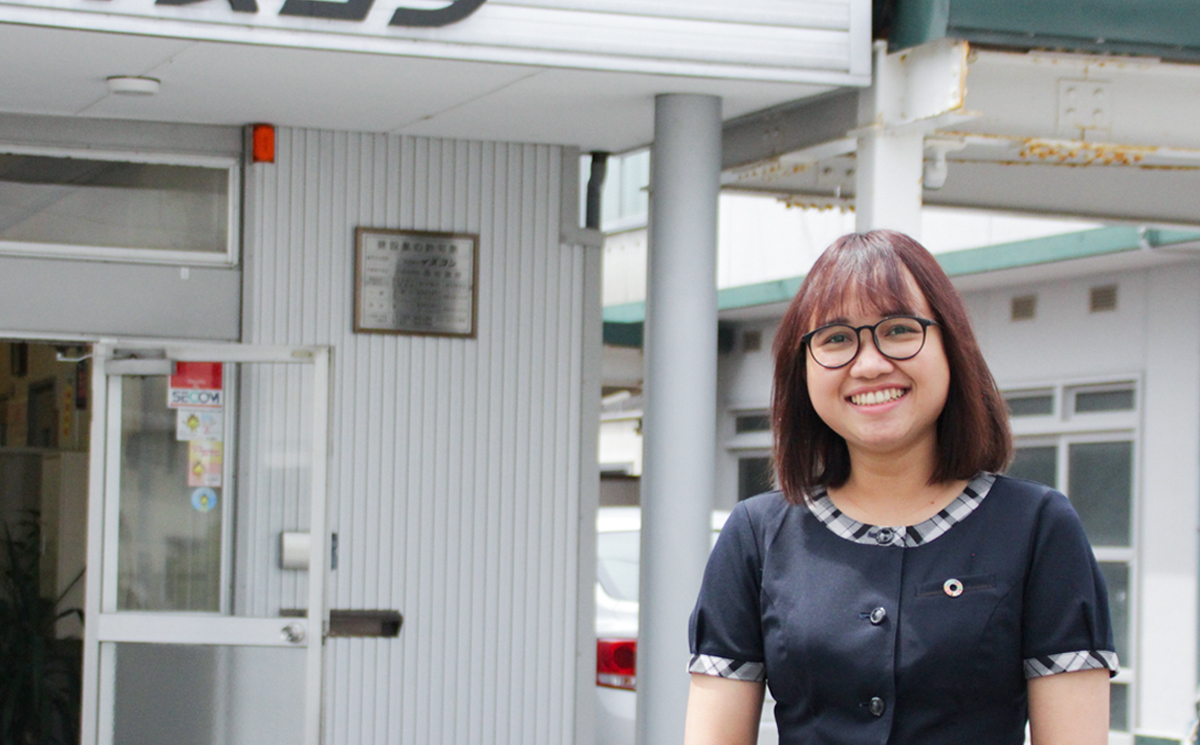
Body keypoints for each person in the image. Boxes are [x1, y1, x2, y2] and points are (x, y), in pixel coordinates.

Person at [684, 230, 1117, 745]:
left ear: (951, 346)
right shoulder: (756, 537)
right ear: (802, 368)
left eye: (898, 330)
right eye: (836, 338)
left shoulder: (1037, 527)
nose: (869, 365)